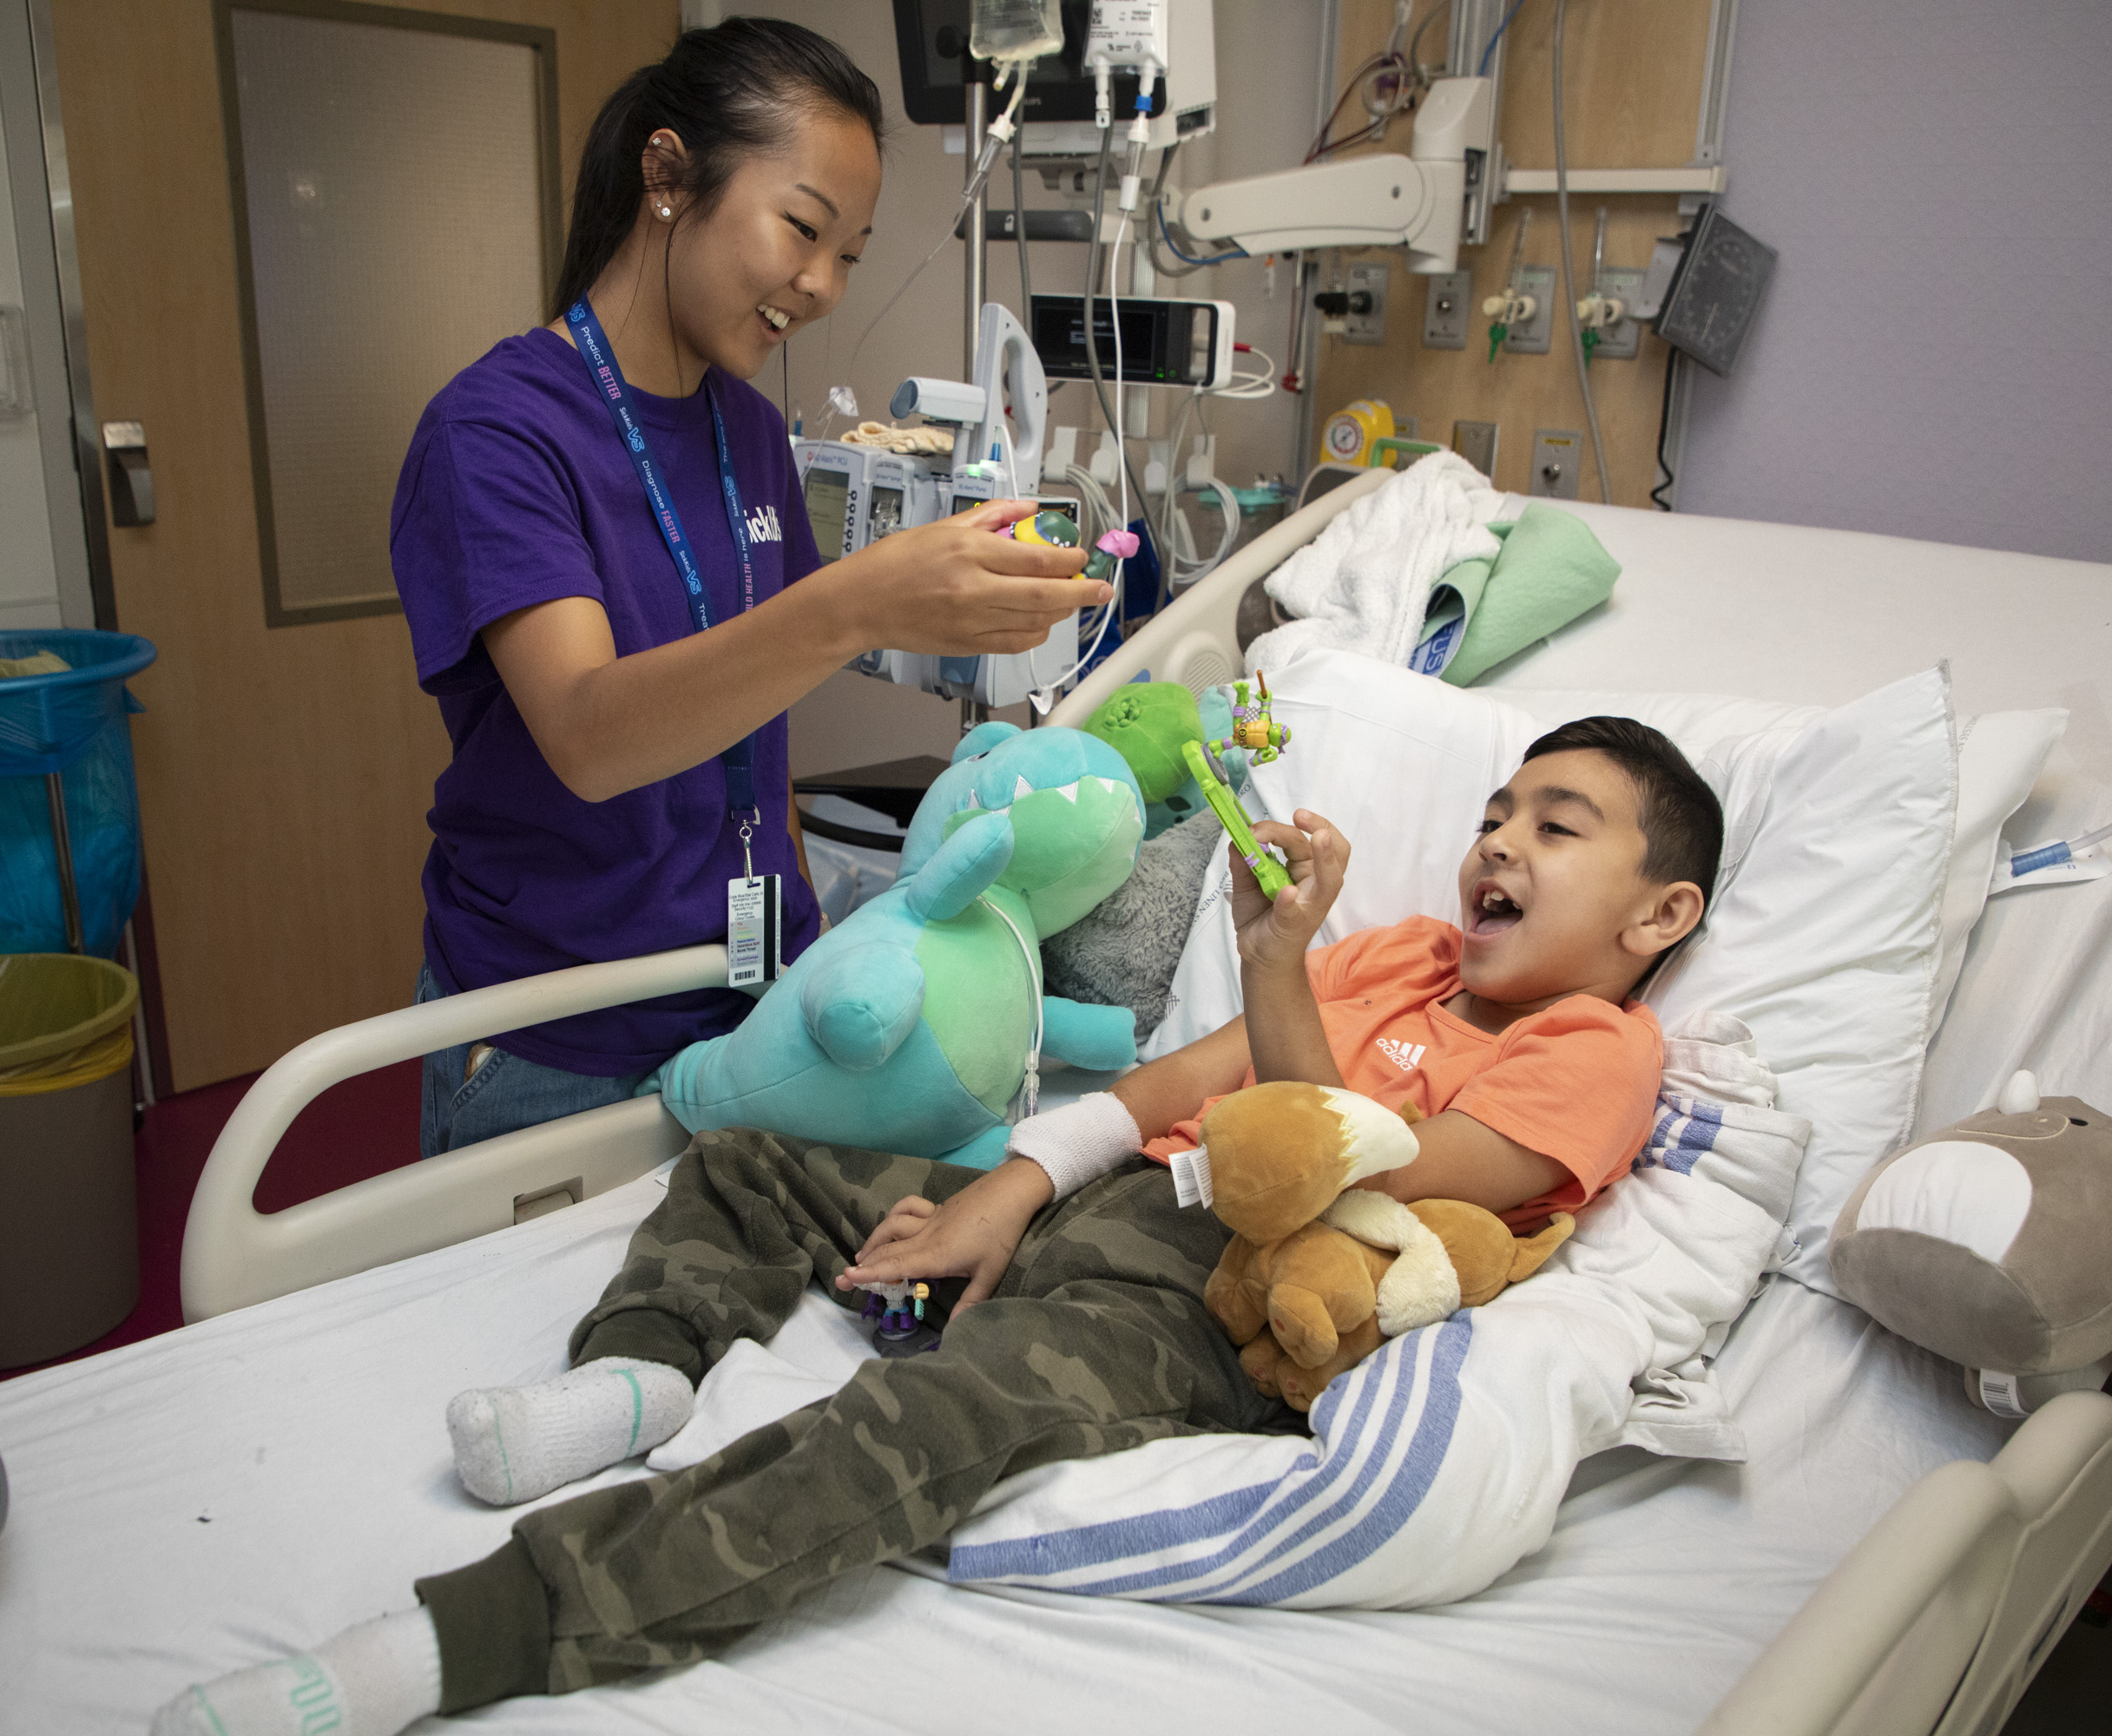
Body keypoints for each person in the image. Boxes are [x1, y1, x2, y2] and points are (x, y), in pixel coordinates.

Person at [154, 716, 1722, 1733]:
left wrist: (1270, 962)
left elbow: (1326, 1167)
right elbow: (1180, 1081)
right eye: (1498, 809)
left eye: (1559, 825)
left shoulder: (1601, 1055)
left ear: (1662, 919)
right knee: (756, 1161)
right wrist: (1010, 1188)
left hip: (1204, 1296)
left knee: (914, 1423)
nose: (1499, 842)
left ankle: (468, 1637)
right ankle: (637, 1373)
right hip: (1109, 1202)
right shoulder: (1402, 957)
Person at [392, 18, 1109, 1159]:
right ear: (669, 177)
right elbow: (588, 735)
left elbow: (755, 727)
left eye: (852, 257)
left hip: (752, 1000)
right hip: (558, 1035)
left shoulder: (750, 433)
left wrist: (806, 941)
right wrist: (863, 603)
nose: (820, 287)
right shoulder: (499, 432)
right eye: (803, 230)